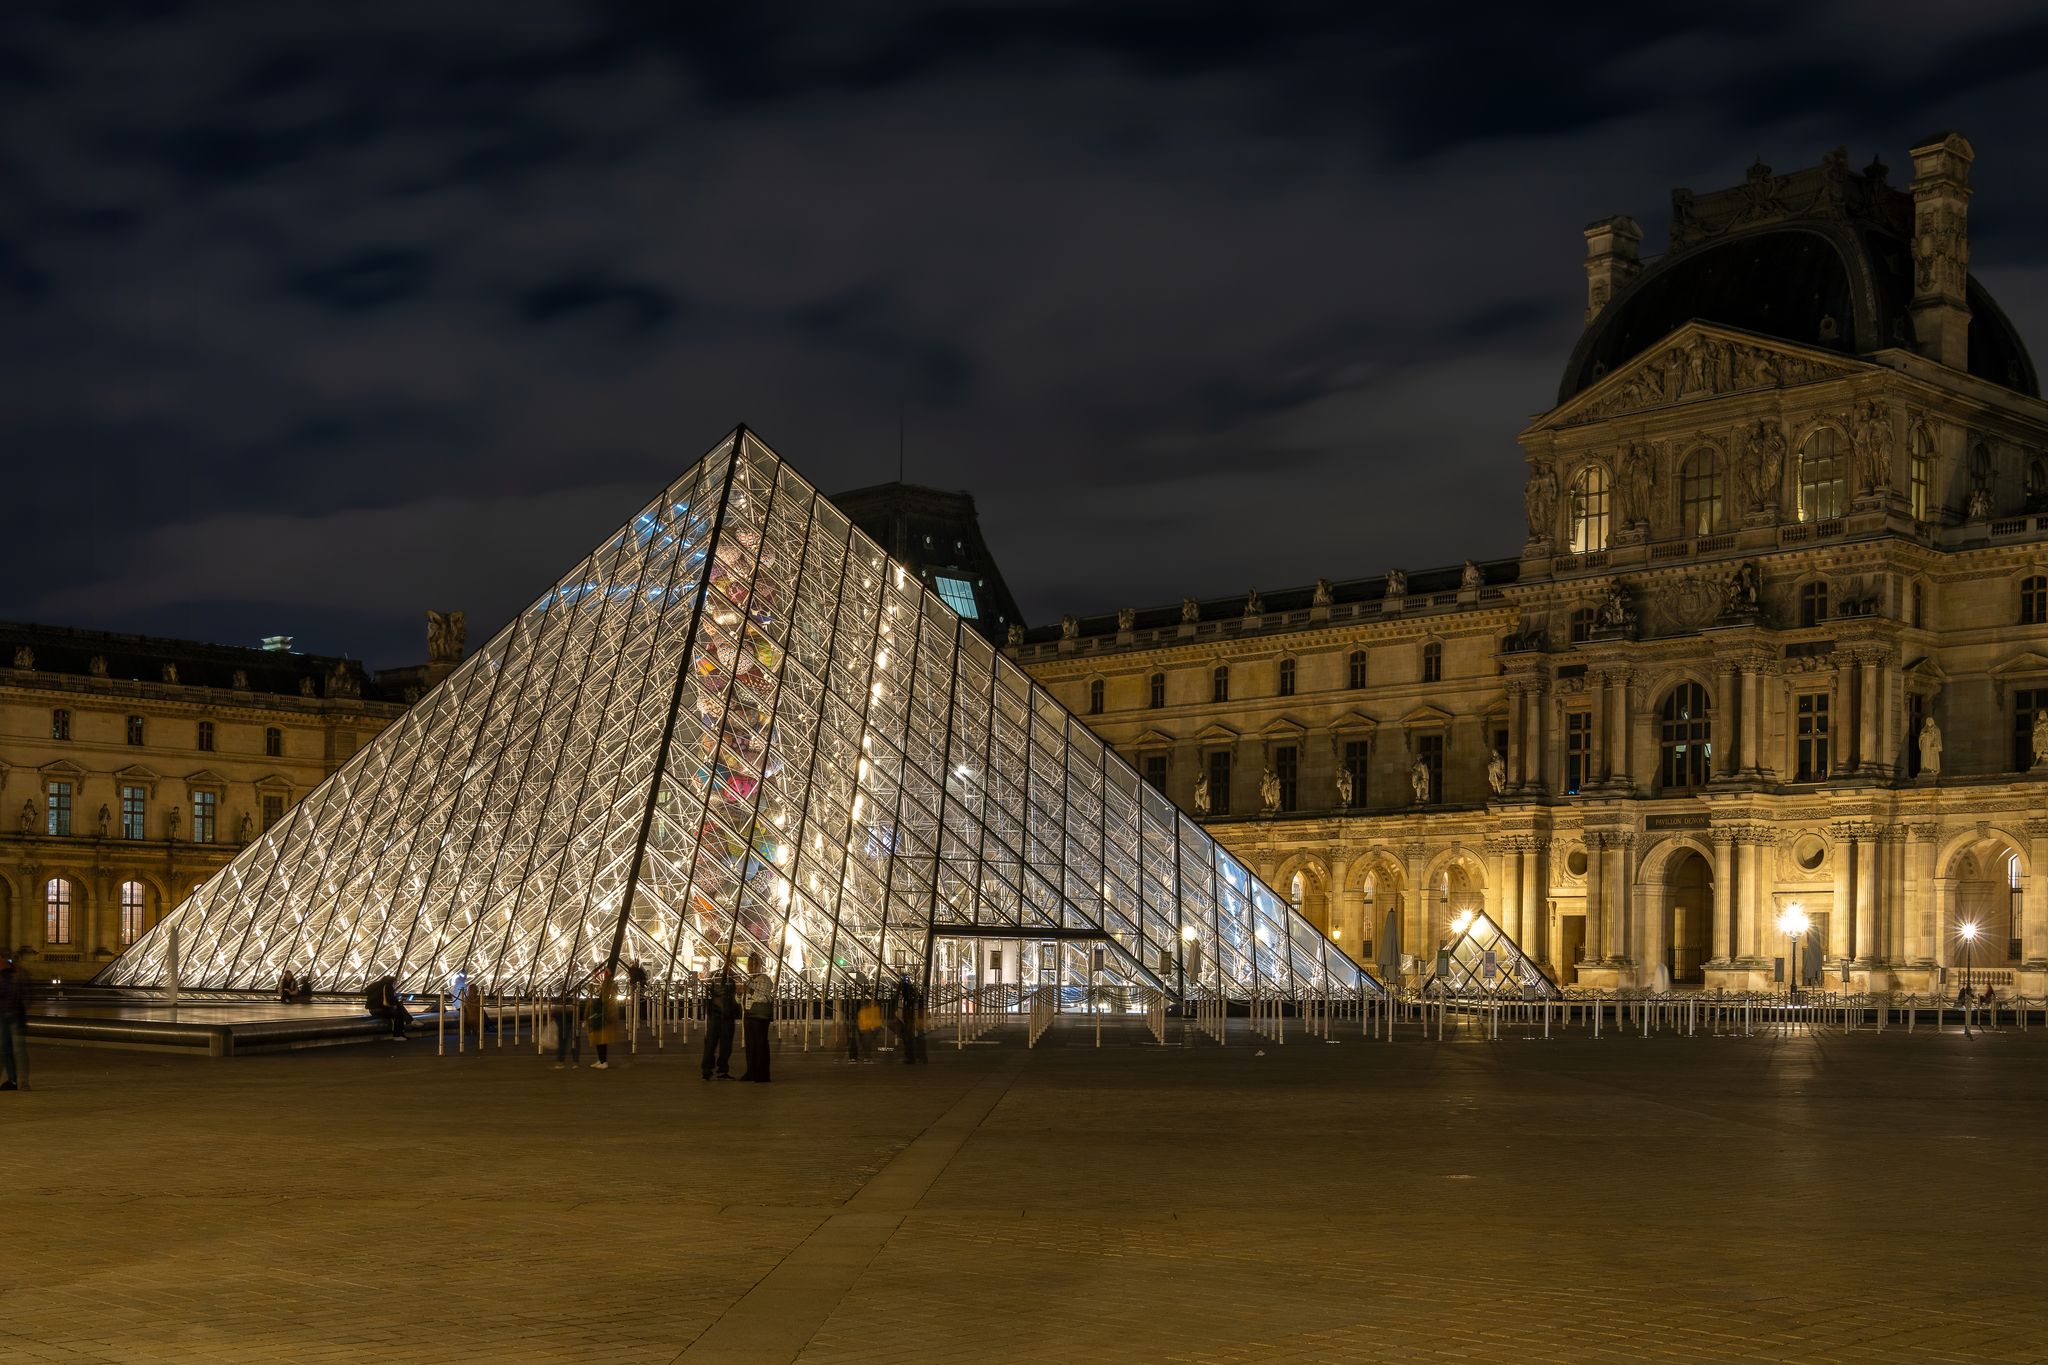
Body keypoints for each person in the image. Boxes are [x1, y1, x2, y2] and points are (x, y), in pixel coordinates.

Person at [740, 961, 774, 1082]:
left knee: (760, 1044)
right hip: (749, 1014)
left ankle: (762, 1074)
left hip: (760, 1016)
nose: (750, 967)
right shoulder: (750, 980)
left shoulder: (764, 979)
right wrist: (740, 994)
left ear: (759, 966)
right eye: (749, 965)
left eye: (753, 965)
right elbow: (742, 999)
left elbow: (763, 995)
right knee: (750, 1045)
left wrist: (748, 986)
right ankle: (751, 1071)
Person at [701, 967, 737, 1080]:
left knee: (710, 1044)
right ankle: (722, 1069)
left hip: (715, 1016)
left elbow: (708, 1000)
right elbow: (732, 999)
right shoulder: (730, 982)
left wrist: (710, 1013)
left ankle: (707, 1069)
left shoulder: (712, 981)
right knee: (725, 1045)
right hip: (726, 1017)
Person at [0, 957, 27, 1092]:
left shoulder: (5, 977)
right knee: (12, 1050)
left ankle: (14, 1080)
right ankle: (17, 1080)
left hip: (7, 1016)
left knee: (6, 1049)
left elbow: (5, 994)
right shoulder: (15, 975)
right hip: (14, 1016)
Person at [586, 972, 618, 1070]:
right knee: (599, 1041)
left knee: (601, 1041)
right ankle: (601, 1060)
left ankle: (603, 1061)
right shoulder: (606, 993)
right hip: (601, 1019)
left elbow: (606, 991)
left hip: (604, 1020)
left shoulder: (608, 994)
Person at [894, 973, 928, 1065]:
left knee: (909, 1038)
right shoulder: (912, 990)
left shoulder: (904, 990)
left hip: (908, 1017)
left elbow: (900, 1002)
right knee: (915, 1038)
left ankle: (911, 1057)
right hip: (911, 1017)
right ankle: (919, 1057)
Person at [366, 974, 410, 1039]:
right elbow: (390, 1001)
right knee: (400, 1015)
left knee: (399, 1009)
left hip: (372, 1010)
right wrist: (398, 1001)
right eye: (395, 983)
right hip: (381, 1010)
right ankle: (398, 1035)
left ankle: (409, 1021)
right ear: (392, 982)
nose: (396, 985)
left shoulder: (377, 986)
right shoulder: (388, 986)